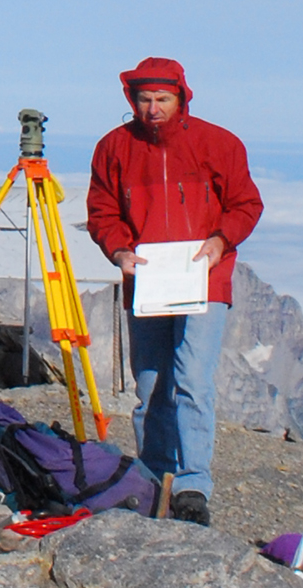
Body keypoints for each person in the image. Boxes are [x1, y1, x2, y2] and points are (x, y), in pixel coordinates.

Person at [86, 57, 262, 526]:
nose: (153, 109)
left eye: (162, 99)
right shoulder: (113, 148)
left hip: (206, 277)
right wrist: (120, 251)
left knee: (192, 380)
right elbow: (102, 211)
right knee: (150, 384)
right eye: (144, 99)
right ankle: (153, 477)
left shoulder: (218, 144)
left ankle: (191, 486)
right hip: (145, 279)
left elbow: (246, 203)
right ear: (132, 100)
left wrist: (221, 240)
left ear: (181, 96)